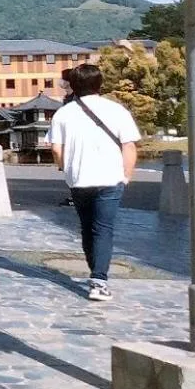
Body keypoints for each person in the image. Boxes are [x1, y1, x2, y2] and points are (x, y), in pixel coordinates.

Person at [48, 63, 140, 302]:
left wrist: (65, 168)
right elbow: (129, 146)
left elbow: (56, 149)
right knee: (103, 229)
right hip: (110, 179)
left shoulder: (63, 114)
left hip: (79, 180)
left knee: (87, 227)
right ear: (100, 84)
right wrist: (126, 175)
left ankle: (96, 273)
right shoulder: (117, 110)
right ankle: (99, 280)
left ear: (74, 86)